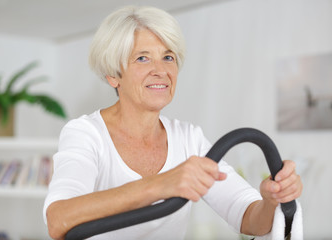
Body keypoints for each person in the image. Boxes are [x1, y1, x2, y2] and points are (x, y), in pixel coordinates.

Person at [43, 5, 303, 240]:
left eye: (168, 57)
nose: (161, 70)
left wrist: (271, 201)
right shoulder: (86, 134)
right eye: (142, 58)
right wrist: (162, 184)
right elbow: (58, 220)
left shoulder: (189, 138)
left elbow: (248, 217)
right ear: (113, 75)